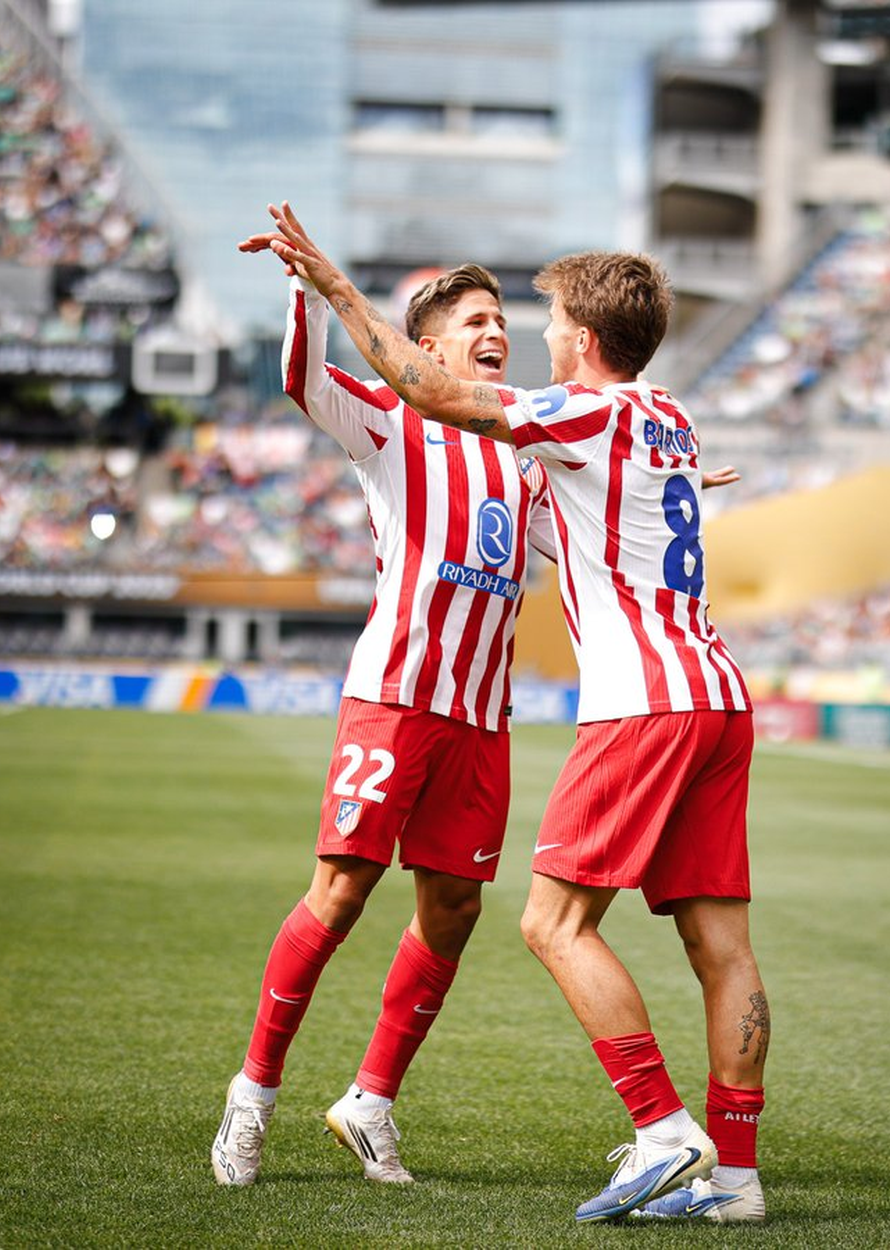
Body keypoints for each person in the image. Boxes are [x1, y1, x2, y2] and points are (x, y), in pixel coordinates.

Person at [261, 202, 769, 1225]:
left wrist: (334, 287)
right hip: (720, 692)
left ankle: (664, 1128)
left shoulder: (582, 412)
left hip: (644, 701)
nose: (529, 335)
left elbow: (430, 389)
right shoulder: (667, 415)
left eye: (541, 321)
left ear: (583, 339)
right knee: (722, 946)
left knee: (551, 920)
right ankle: (738, 1179)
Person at [210, 243, 561, 1188]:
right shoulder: (391, 419)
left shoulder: (526, 458)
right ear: (428, 347)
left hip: (482, 718)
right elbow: (300, 378)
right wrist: (304, 287)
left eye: (501, 322)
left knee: (452, 909)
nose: (497, 335)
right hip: (396, 700)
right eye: (476, 323)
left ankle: (370, 1102)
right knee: (341, 894)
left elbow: (586, 539)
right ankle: (252, 1096)